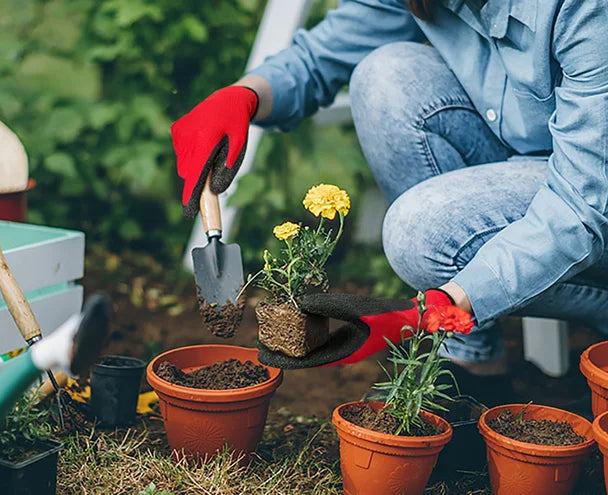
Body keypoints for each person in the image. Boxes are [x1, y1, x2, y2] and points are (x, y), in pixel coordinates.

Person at [170, 0, 608, 391]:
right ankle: (472, 368)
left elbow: (581, 206)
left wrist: (442, 307)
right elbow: (324, 54)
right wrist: (244, 96)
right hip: (530, 163)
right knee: (387, 76)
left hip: (588, 192)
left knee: (421, 232)